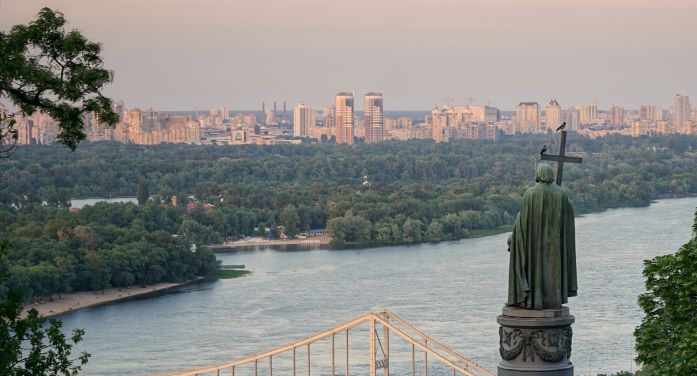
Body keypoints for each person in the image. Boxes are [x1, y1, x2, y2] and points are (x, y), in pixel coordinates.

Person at [507, 163, 577, 309]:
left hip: (534, 244)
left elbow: (523, 222)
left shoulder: (531, 193)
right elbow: (568, 219)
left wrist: (514, 237)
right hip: (555, 245)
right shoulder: (561, 194)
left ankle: (532, 300)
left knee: (534, 268)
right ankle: (552, 300)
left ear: (539, 174)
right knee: (552, 271)